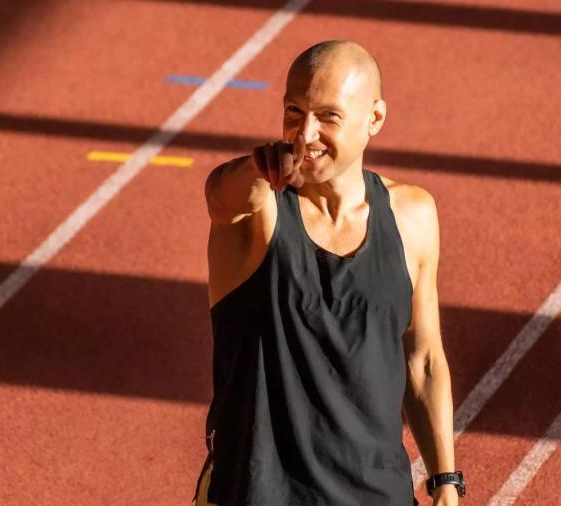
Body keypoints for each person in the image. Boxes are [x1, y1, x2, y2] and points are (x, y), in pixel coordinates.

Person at [195, 40, 463, 506]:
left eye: (328, 117)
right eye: (294, 112)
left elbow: (422, 360)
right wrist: (258, 169)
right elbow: (221, 196)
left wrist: (445, 481)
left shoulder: (411, 217)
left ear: (374, 118)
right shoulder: (261, 211)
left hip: (376, 494)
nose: (306, 133)